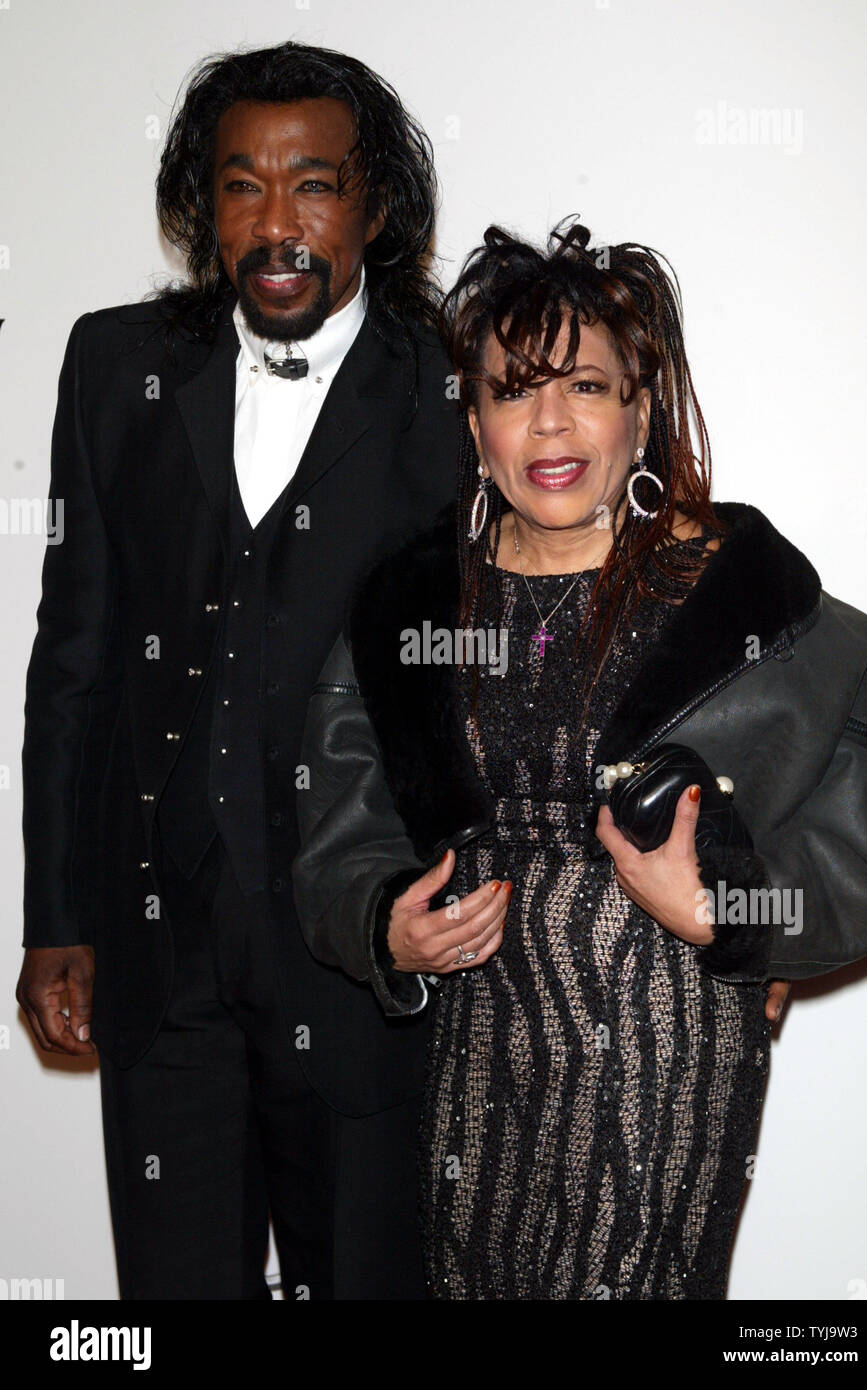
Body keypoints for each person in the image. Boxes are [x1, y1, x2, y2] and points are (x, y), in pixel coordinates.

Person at [293, 221, 867, 1299]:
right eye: (507, 390)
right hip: (476, 1054)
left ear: (639, 406)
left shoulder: (741, 597)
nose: (547, 423)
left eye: (583, 384)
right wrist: (384, 925)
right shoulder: (411, 608)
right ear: (473, 425)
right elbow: (339, 830)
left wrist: (738, 915)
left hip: (662, 1045)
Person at [17, 42, 457, 1300]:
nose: (276, 223)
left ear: (374, 206)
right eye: (239, 186)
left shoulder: (452, 393)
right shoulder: (115, 370)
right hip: (162, 967)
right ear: (200, 207)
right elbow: (75, 662)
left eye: (312, 184)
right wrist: (55, 916)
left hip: (367, 967)